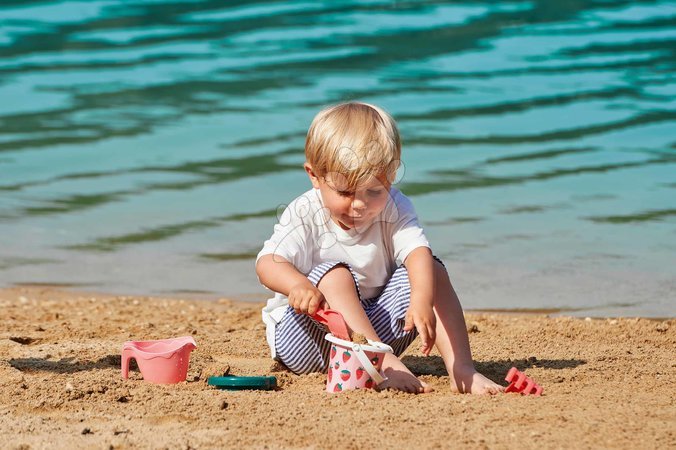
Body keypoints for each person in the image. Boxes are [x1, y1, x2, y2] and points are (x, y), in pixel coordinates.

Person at [256, 102, 503, 394]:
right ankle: (384, 364)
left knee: (430, 270)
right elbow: (268, 263)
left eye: (374, 191)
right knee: (333, 274)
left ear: (391, 176)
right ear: (315, 176)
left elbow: (416, 252)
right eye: (345, 192)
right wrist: (297, 285)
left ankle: (462, 370)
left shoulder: (395, 207)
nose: (359, 204)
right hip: (309, 339)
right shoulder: (304, 212)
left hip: (377, 333)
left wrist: (422, 298)